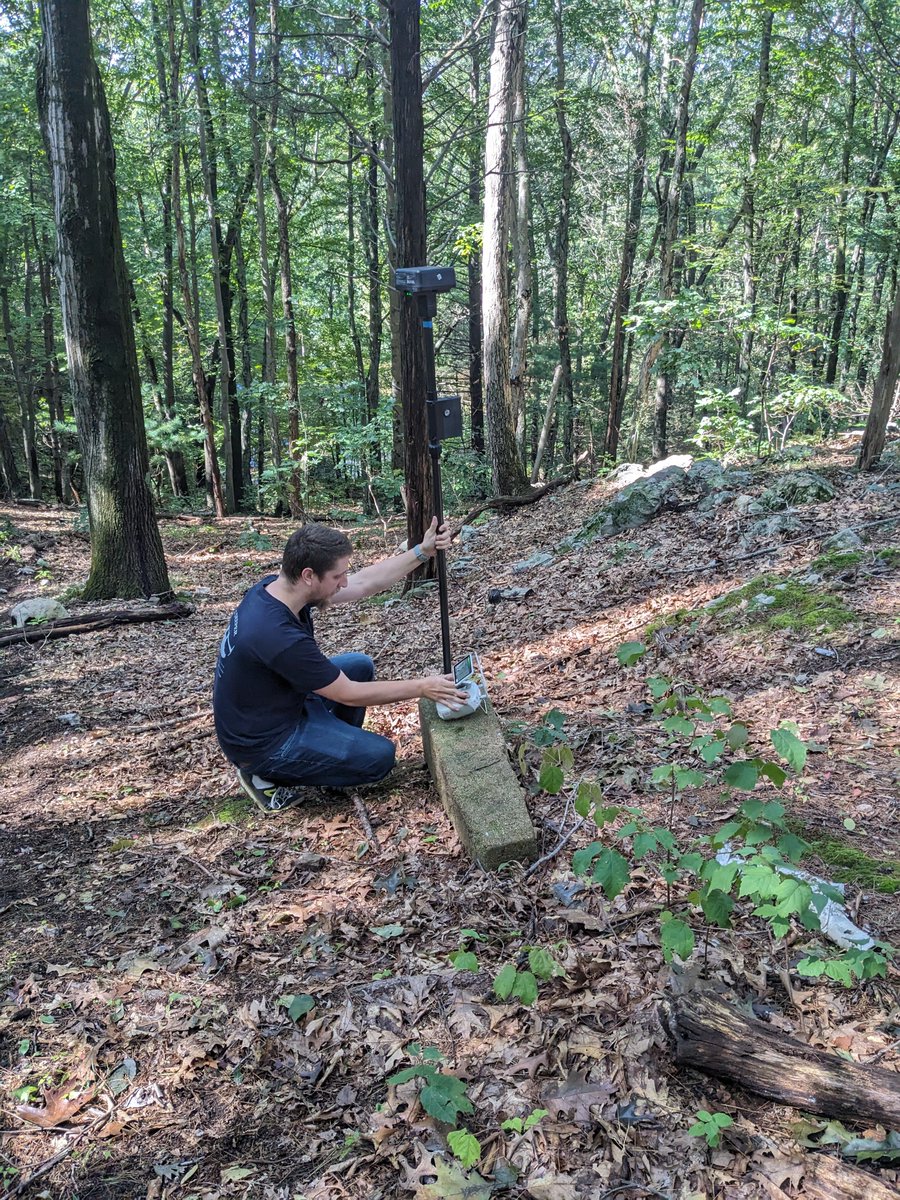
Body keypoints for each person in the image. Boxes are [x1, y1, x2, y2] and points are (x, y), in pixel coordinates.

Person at [213, 518, 467, 813]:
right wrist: (424, 687)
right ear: (309, 575)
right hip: (263, 743)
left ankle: (329, 752)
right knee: (379, 758)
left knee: (358, 664)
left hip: (277, 705)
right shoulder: (277, 634)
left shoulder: (277, 588)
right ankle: (265, 775)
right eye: (337, 576)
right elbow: (348, 693)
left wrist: (422, 552)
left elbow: (363, 583)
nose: (344, 582)